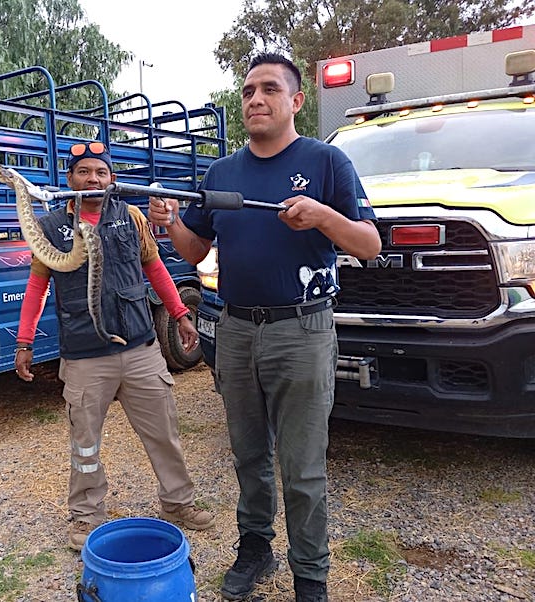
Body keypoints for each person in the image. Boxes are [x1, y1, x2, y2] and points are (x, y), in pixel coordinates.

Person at [148, 53, 381, 601]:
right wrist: (172, 224)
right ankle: (256, 548)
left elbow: (370, 245)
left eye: (269, 89)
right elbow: (196, 249)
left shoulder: (327, 163)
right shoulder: (221, 173)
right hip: (234, 329)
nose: (255, 99)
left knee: (301, 467)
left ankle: (311, 576)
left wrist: (323, 216)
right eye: (248, 90)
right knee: (249, 455)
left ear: (296, 100)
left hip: (301, 331)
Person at [14, 141, 215, 551]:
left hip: (140, 349)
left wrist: (179, 314)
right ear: (70, 179)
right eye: (84, 172)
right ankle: (86, 517)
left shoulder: (132, 217)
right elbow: (36, 287)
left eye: (101, 172)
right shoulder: (52, 227)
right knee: (85, 444)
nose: (93, 179)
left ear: (112, 179)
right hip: (85, 355)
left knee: (164, 434)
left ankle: (178, 504)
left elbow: (155, 268)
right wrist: (25, 340)